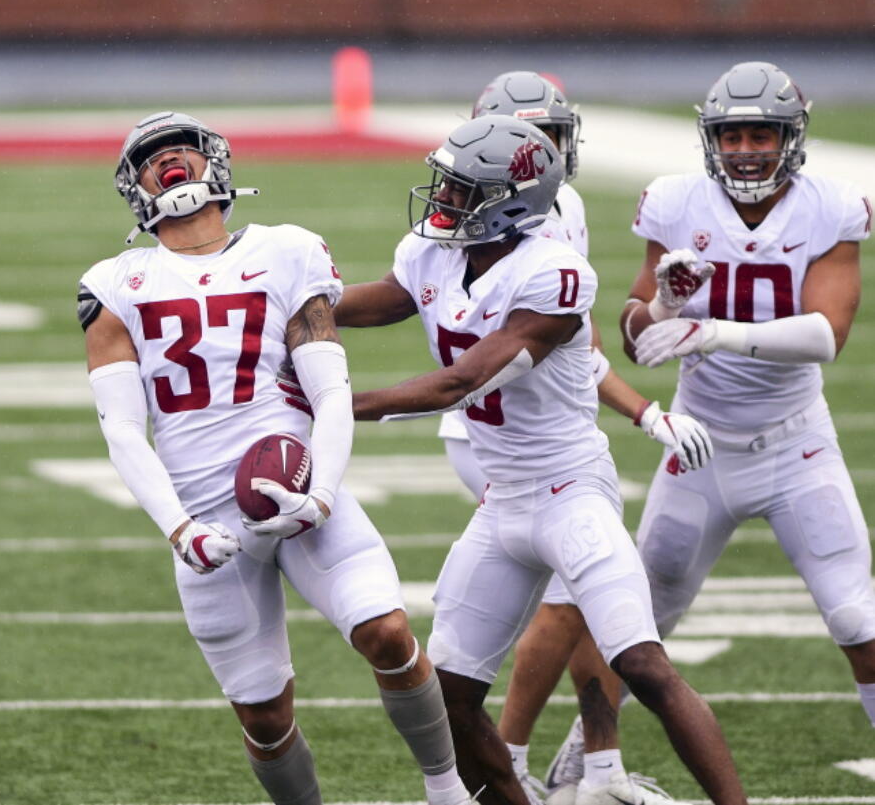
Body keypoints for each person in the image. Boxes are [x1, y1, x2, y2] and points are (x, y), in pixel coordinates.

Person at [337, 113, 747, 805]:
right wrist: (289, 307)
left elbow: (459, 381)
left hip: (571, 493)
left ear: (511, 202)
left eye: (463, 188)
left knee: (643, 665)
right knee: (449, 703)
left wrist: (336, 401)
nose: (443, 196)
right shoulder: (436, 252)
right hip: (502, 502)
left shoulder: (553, 273)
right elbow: (382, 302)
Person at [79, 111, 473, 805]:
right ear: (131, 186)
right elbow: (120, 429)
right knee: (264, 716)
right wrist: (179, 527)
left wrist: (320, 494)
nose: (167, 163)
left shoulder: (286, 250)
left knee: (387, 631)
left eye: (182, 151)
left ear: (219, 167)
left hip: (298, 487)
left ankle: (447, 791)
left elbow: (331, 390)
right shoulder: (113, 282)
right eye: (149, 158)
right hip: (204, 521)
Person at [457, 71, 710, 805]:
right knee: (576, 592)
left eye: (556, 139)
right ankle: (509, 768)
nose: (549, 156)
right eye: (533, 141)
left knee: (590, 590)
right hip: (491, 429)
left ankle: (590, 770)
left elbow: (577, 341)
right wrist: (644, 411)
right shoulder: (479, 221)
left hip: (544, 426)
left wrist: (642, 409)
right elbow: (528, 346)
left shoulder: (557, 206)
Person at [618, 61, 875, 734]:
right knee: (635, 620)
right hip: (702, 442)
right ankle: (592, 760)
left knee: (856, 616)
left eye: (761, 135)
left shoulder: (829, 204)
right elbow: (636, 334)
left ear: (791, 136)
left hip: (797, 442)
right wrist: (664, 302)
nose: (745, 150)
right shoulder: (676, 201)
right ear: (711, 138)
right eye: (731, 136)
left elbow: (825, 335)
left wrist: (710, 329)